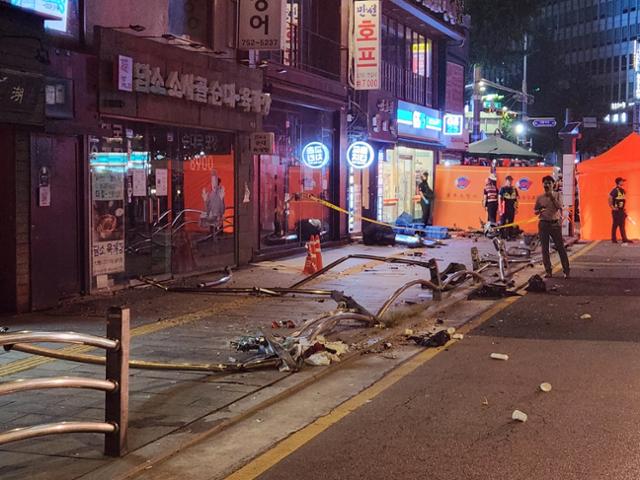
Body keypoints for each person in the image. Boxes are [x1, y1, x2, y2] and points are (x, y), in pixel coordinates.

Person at [534, 175, 570, 279]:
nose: (547, 184)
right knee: (545, 249)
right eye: (545, 183)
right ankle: (548, 271)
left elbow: (559, 206)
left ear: (553, 184)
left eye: (549, 183)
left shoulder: (558, 194)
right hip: (543, 224)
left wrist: (551, 197)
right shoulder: (540, 197)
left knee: (560, 248)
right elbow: (535, 211)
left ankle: (566, 270)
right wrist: (539, 210)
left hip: (555, 224)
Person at [609, 177, 631, 244]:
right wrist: (612, 207)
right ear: (619, 182)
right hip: (616, 211)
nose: (623, 182)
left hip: (621, 210)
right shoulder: (614, 190)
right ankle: (614, 239)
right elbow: (610, 198)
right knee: (615, 225)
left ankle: (624, 238)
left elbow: (622, 200)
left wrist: (624, 209)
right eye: (622, 181)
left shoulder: (622, 190)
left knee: (622, 225)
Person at [499, 175, 519, 240]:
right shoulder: (503, 189)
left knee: (511, 222)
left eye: (511, 180)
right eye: (508, 180)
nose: (510, 182)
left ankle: (510, 235)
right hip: (504, 208)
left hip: (511, 208)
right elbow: (499, 198)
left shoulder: (514, 189)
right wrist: (500, 209)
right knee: (503, 222)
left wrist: (516, 208)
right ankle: (502, 235)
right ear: (506, 181)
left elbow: (516, 199)